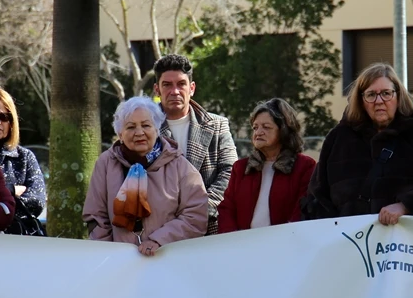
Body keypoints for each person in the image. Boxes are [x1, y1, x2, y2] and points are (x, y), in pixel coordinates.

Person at [304, 63, 413, 222]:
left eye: (386, 93)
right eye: (371, 95)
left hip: (405, 242)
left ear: (398, 96)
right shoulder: (339, 138)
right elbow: (317, 196)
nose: (379, 101)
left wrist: (405, 206)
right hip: (349, 242)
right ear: (361, 100)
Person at [83, 96, 208, 254]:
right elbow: (96, 216)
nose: (139, 132)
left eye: (146, 125)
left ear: (156, 129)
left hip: (167, 258)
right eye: (130, 127)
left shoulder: (180, 166)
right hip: (118, 262)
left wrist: (160, 240)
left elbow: (196, 216)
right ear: (120, 134)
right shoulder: (106, 163)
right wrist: (110, 253)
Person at [153, 54, 237, 235]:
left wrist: (200, 211)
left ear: (192, 88)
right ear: (157, 90)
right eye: (167, 85)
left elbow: (230, 171)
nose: (174, 91)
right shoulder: (144, 129)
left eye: (181, 84)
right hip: (158, 231)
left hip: (208, 228)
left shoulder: (217, 125)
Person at [218, 99, 316, 233]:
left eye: (266, 127)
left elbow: (302, 210)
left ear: (284, 130)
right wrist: (232, 239)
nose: (258, 132)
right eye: (255, 127)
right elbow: (226, 209)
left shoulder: (304, 166)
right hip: (242, 246)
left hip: (285, 245)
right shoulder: (241, 168)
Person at [0, 85, 47, 235]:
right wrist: (12, 191)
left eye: (5, 117)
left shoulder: (24, 157)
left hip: (18, 241)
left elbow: (36, 203)